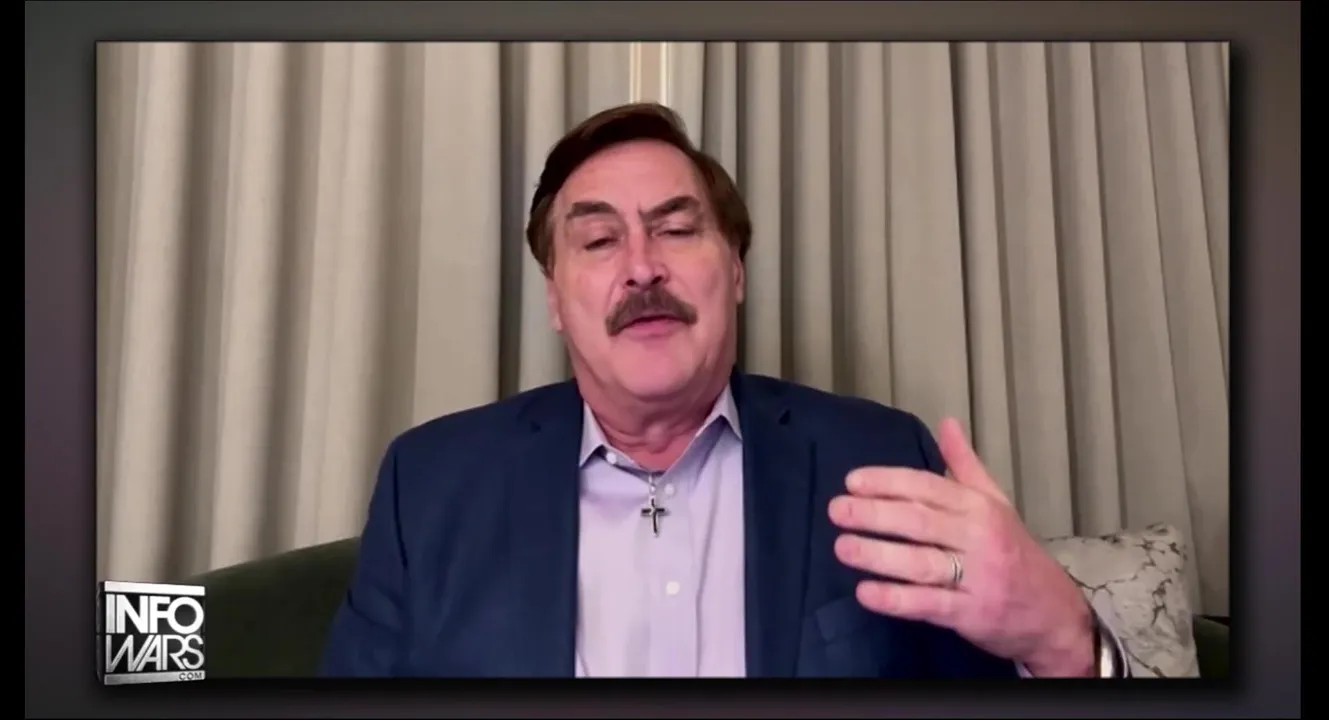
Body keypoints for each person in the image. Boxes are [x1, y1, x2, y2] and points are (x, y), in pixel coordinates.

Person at [318, 102, 1129, 679]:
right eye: (598, 240)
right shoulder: (431, 484)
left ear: (734, 271)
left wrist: (1062, 641)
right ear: (555, 300)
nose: (642, 267)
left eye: (676, 228)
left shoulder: (879, 459)